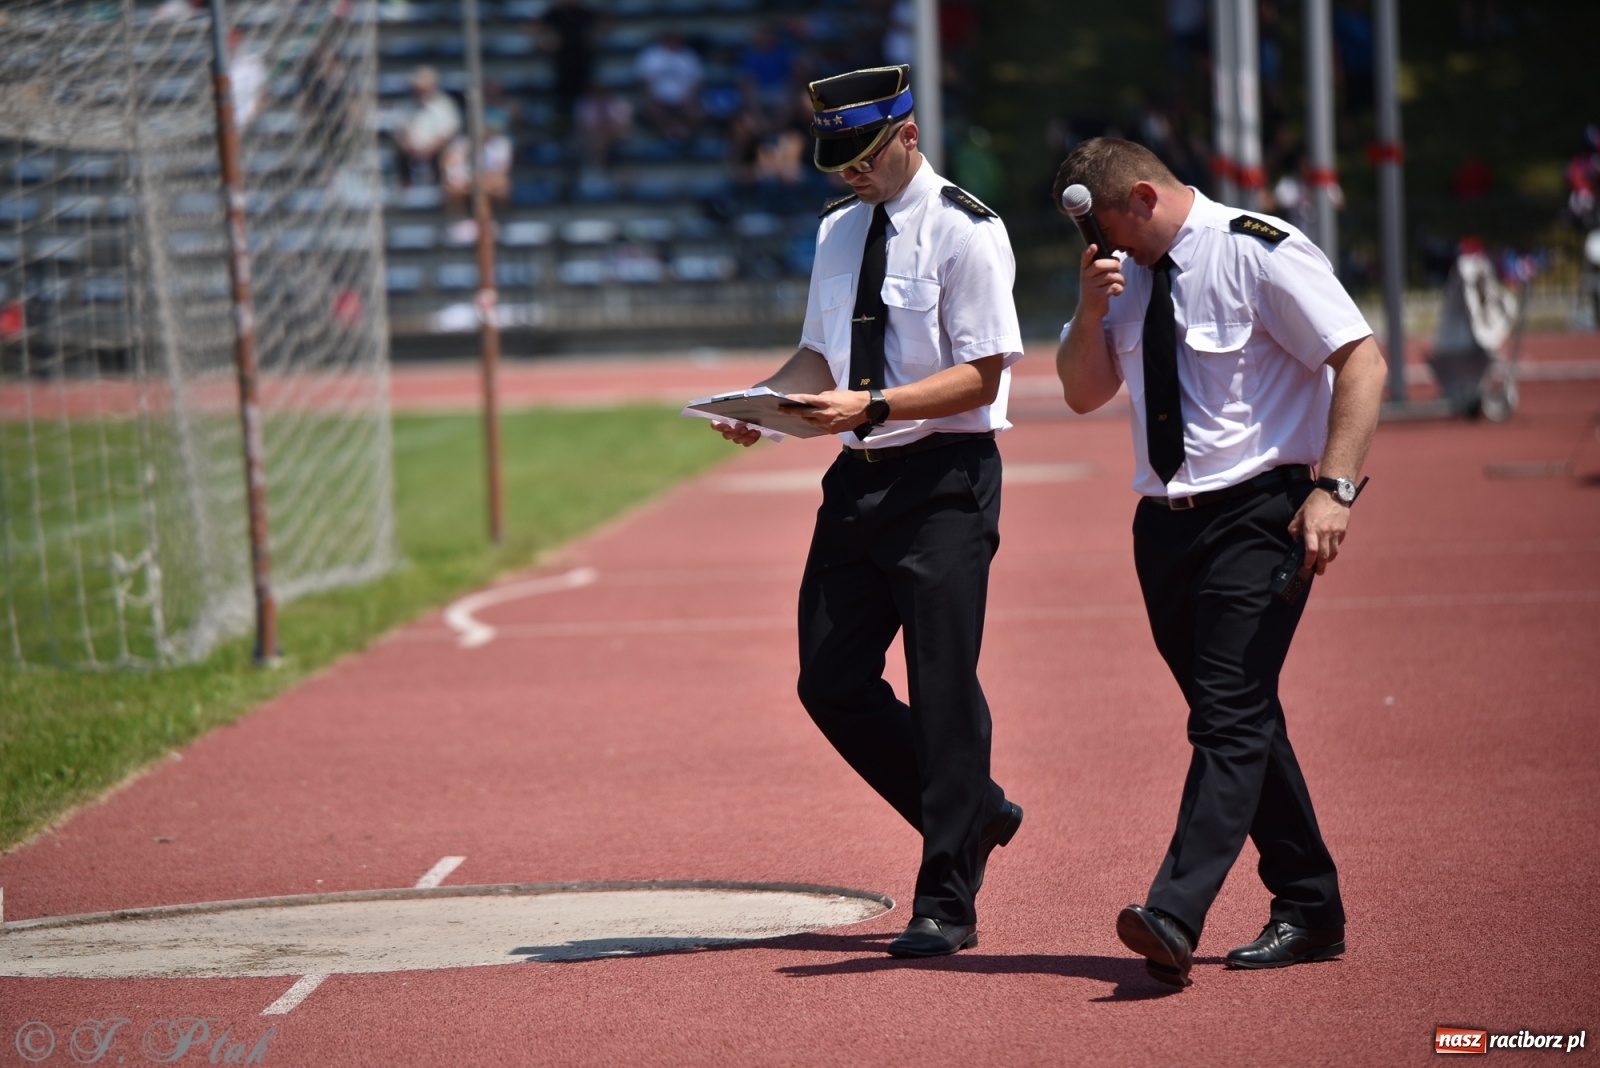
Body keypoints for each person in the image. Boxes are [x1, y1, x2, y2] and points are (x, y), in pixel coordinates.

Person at [1052, 138, 1387, 987]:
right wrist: (1089, 311)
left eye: (1114, 230)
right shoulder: (1117, 274)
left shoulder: (1257, 249)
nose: (1107, 249)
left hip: (1259, 513)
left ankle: (1174, 910)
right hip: (1164, 526)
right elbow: (1083, 391)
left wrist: (1336, 490)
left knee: (1228, 715)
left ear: (1141, 195)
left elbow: (1360, 358)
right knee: (1239, 714)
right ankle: (1311, 907)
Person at [708, 64, 1025, 958]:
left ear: (909, 136)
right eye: (838, 156)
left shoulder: (968, 231)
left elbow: (985, 373)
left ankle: (947, 899)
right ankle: (976, 808)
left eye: (864, 154)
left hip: (945, 482)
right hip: (858, 479)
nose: (849, 172)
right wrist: (761, 407)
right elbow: (820, 352)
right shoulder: (839, 230)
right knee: (830, 680)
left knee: (941, 682)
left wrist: (875, 406)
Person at [396, 66, 461, 187]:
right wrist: (407, 144)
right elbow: (401, 131)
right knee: (399, 153)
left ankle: (442, 188)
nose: (418, 91)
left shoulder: (444, 105)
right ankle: (405, 189)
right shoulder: (406, 105)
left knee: (446, 155)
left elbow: (448, 133)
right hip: (412, 149)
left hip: (436, 150)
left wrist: (429, 149)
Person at [635, 32, 704, 141]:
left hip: (684, 100)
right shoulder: (652, 56)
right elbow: (644, 81)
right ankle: (670, 136)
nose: (673, 43)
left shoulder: (689, 56)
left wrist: (691, 100)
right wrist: (651, 99)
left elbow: (697, 82)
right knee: (653, 112)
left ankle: (682, 137)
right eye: (671, 40)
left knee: (698, 114)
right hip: (658, 99)